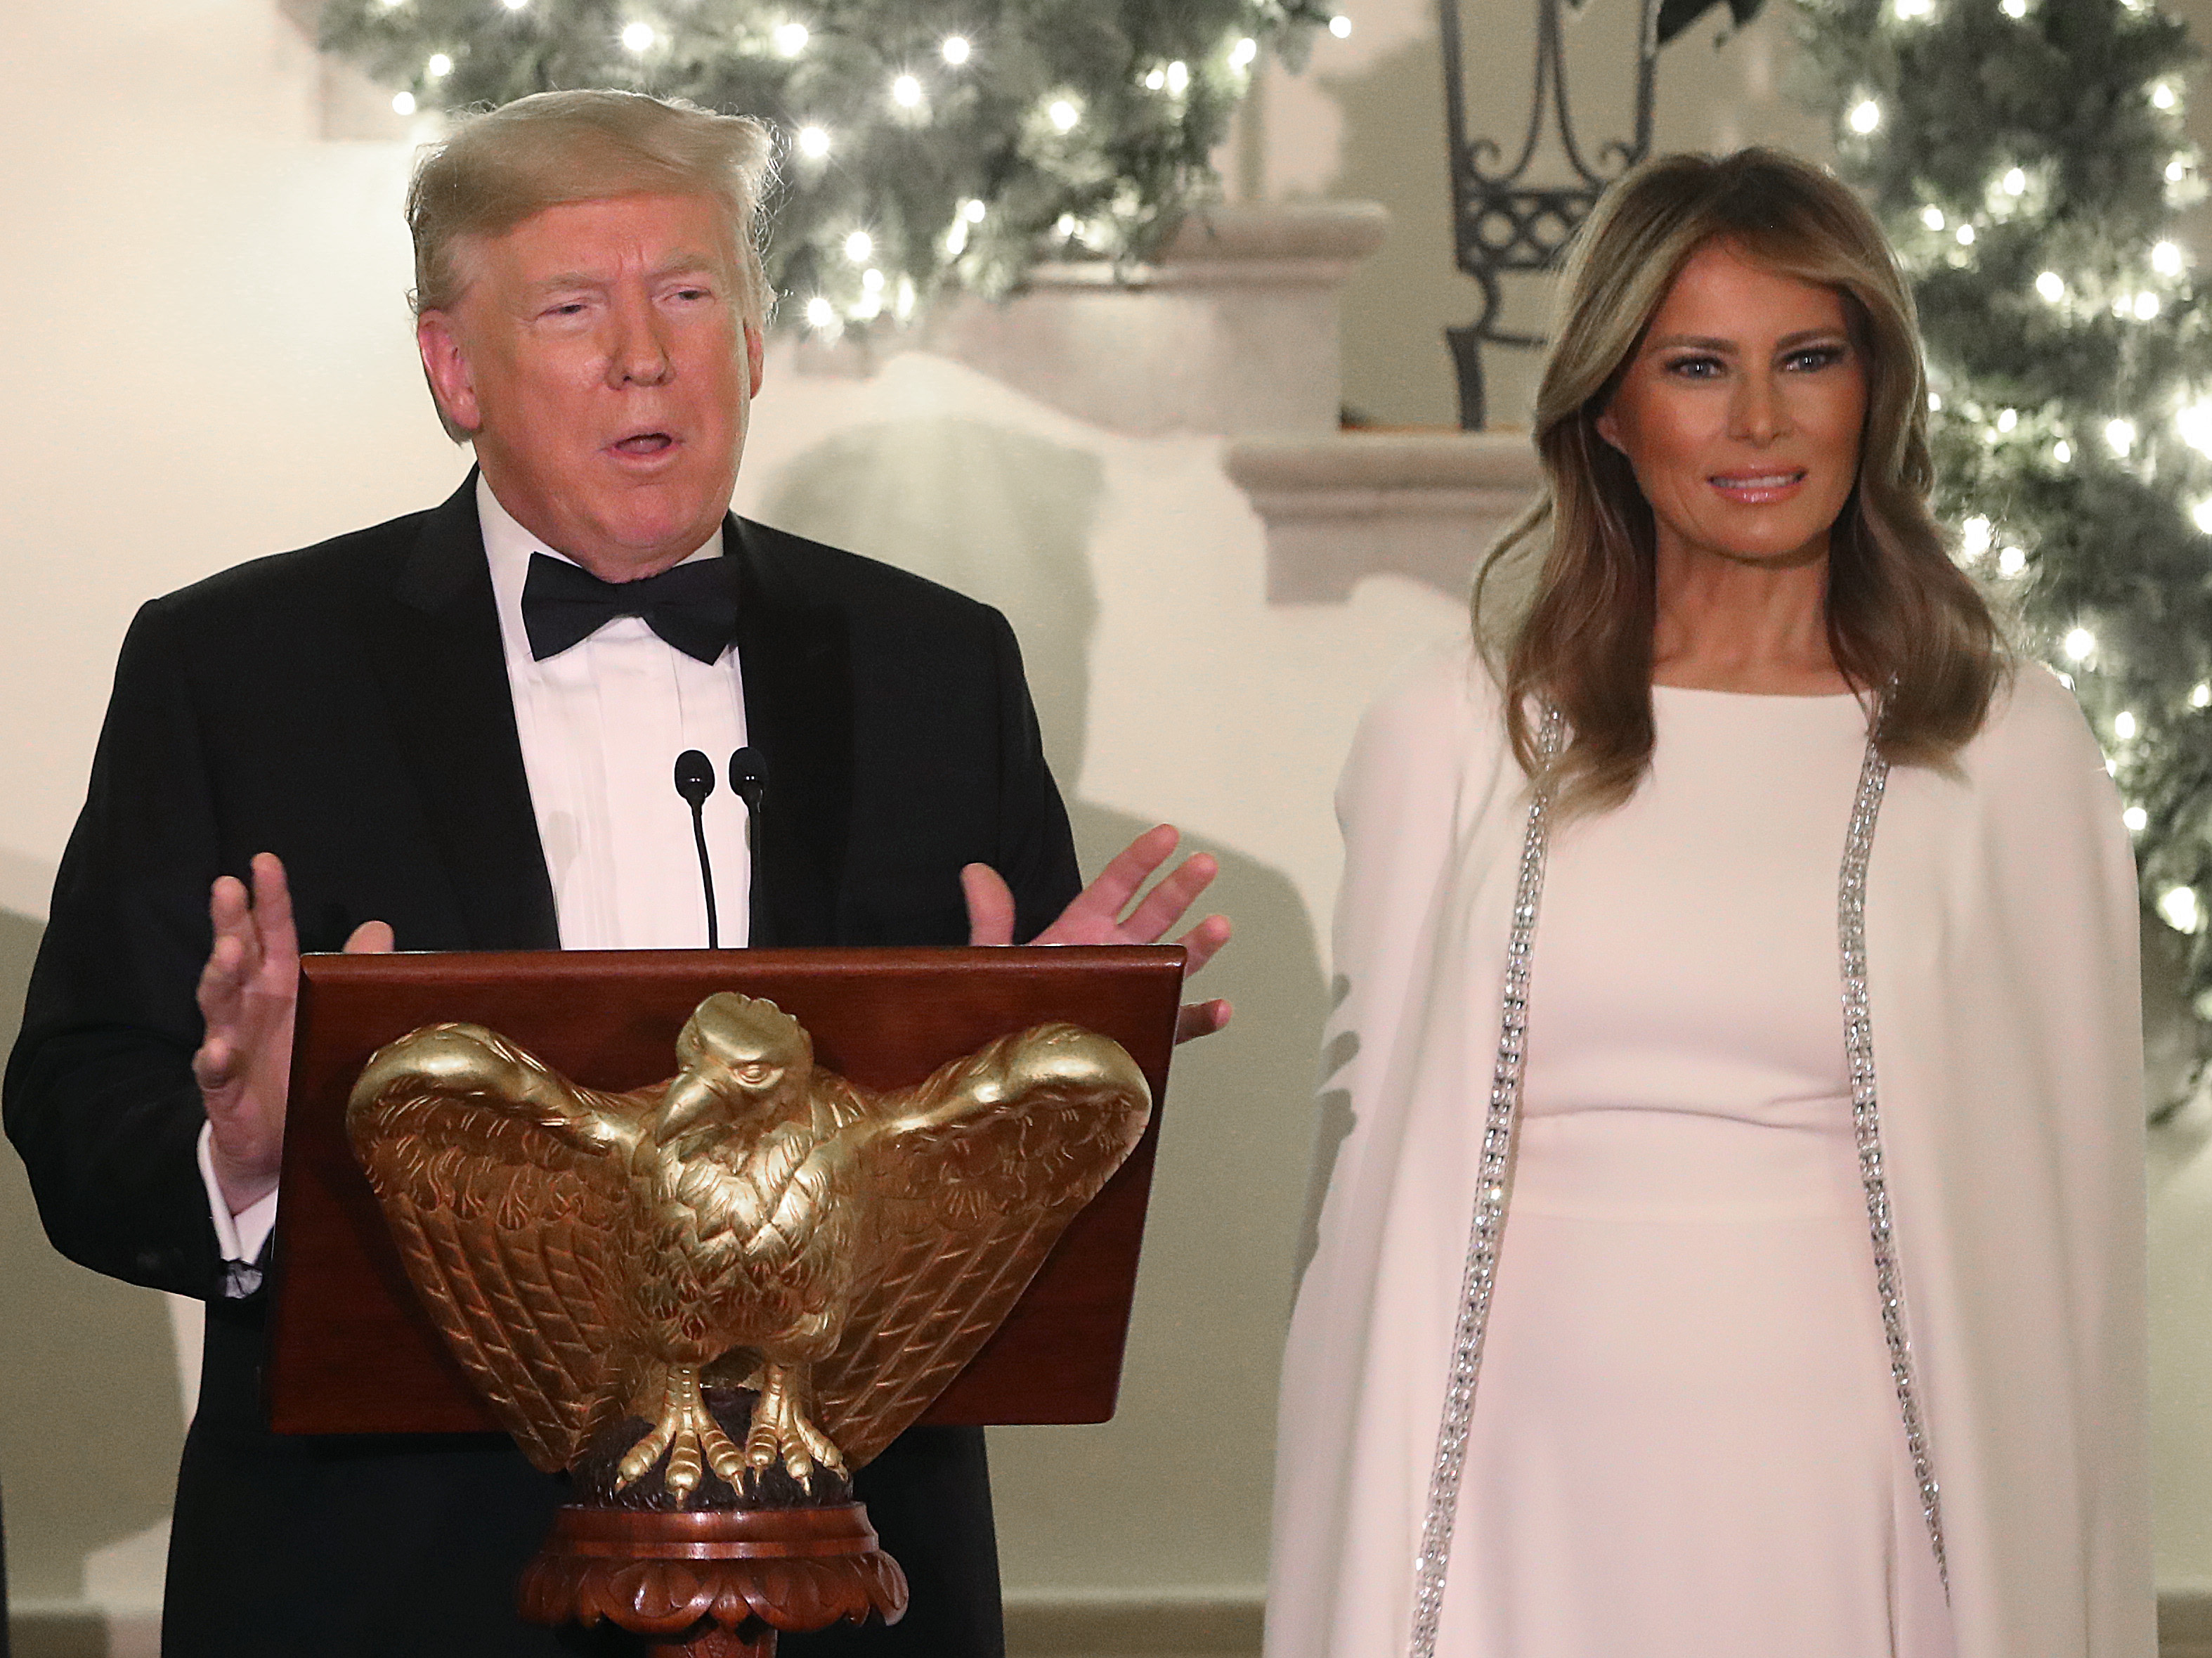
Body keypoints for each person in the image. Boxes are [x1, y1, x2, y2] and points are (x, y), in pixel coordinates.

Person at [4, 89, 1228, 1658]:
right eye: (575, 307)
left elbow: (989, 1231)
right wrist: (243, 1150)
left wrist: (1044, 1071)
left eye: (690, 294)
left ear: (755, 344)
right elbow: (76, 1102)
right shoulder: (236, 669)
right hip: (384, 1592)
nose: (643, 354)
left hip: (852, 1584)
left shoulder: (937, 666)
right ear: (454, 368)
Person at [1267, 148, 2149, 1658]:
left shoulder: (2004, 754)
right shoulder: (1456, 735)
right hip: (1509, 1498)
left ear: (1871, 389)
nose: (1757, 421)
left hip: (1856, 1499)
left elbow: (2064, 1258)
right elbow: (1360, 1219)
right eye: (1696, 366)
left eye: (1806, 359)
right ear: (1608, 406)